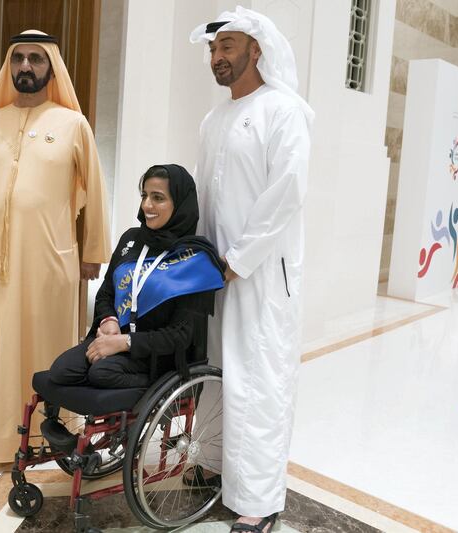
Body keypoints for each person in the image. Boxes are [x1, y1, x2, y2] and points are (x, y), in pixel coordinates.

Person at [0, 30, 111, 463]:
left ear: (51, 67)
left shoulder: (72, 124)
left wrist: (92, 252)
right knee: (0, 348)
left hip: (51, 260)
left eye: (36, 59)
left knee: (51, 350)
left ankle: (53, 432)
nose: (26, 66)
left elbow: (95, 193)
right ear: (9, 66)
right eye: (19, 59)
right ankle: (0, 433)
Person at [188, 8, 313, 532]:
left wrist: (239, 260)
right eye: (214, 49)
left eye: (228, 47)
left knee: (258, 378)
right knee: (216, 373)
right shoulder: (213, 120)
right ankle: (216, 465)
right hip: (216, 272)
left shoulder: (285, 110)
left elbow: (285, 192)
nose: (218, 57)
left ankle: (257, 499)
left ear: (255, 49)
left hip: (260, 276)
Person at [49, 164, 224, 389]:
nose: (147, 205)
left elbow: (181, 335)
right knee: (61, 371)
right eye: (145, 195)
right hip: (113, 339)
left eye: (158, 198)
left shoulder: (196, 260)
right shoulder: (132, 239)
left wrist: (125, 342)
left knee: (102, 373)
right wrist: (109, 321)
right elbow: (106, 292)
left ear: (179, 204)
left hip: (156, 356)